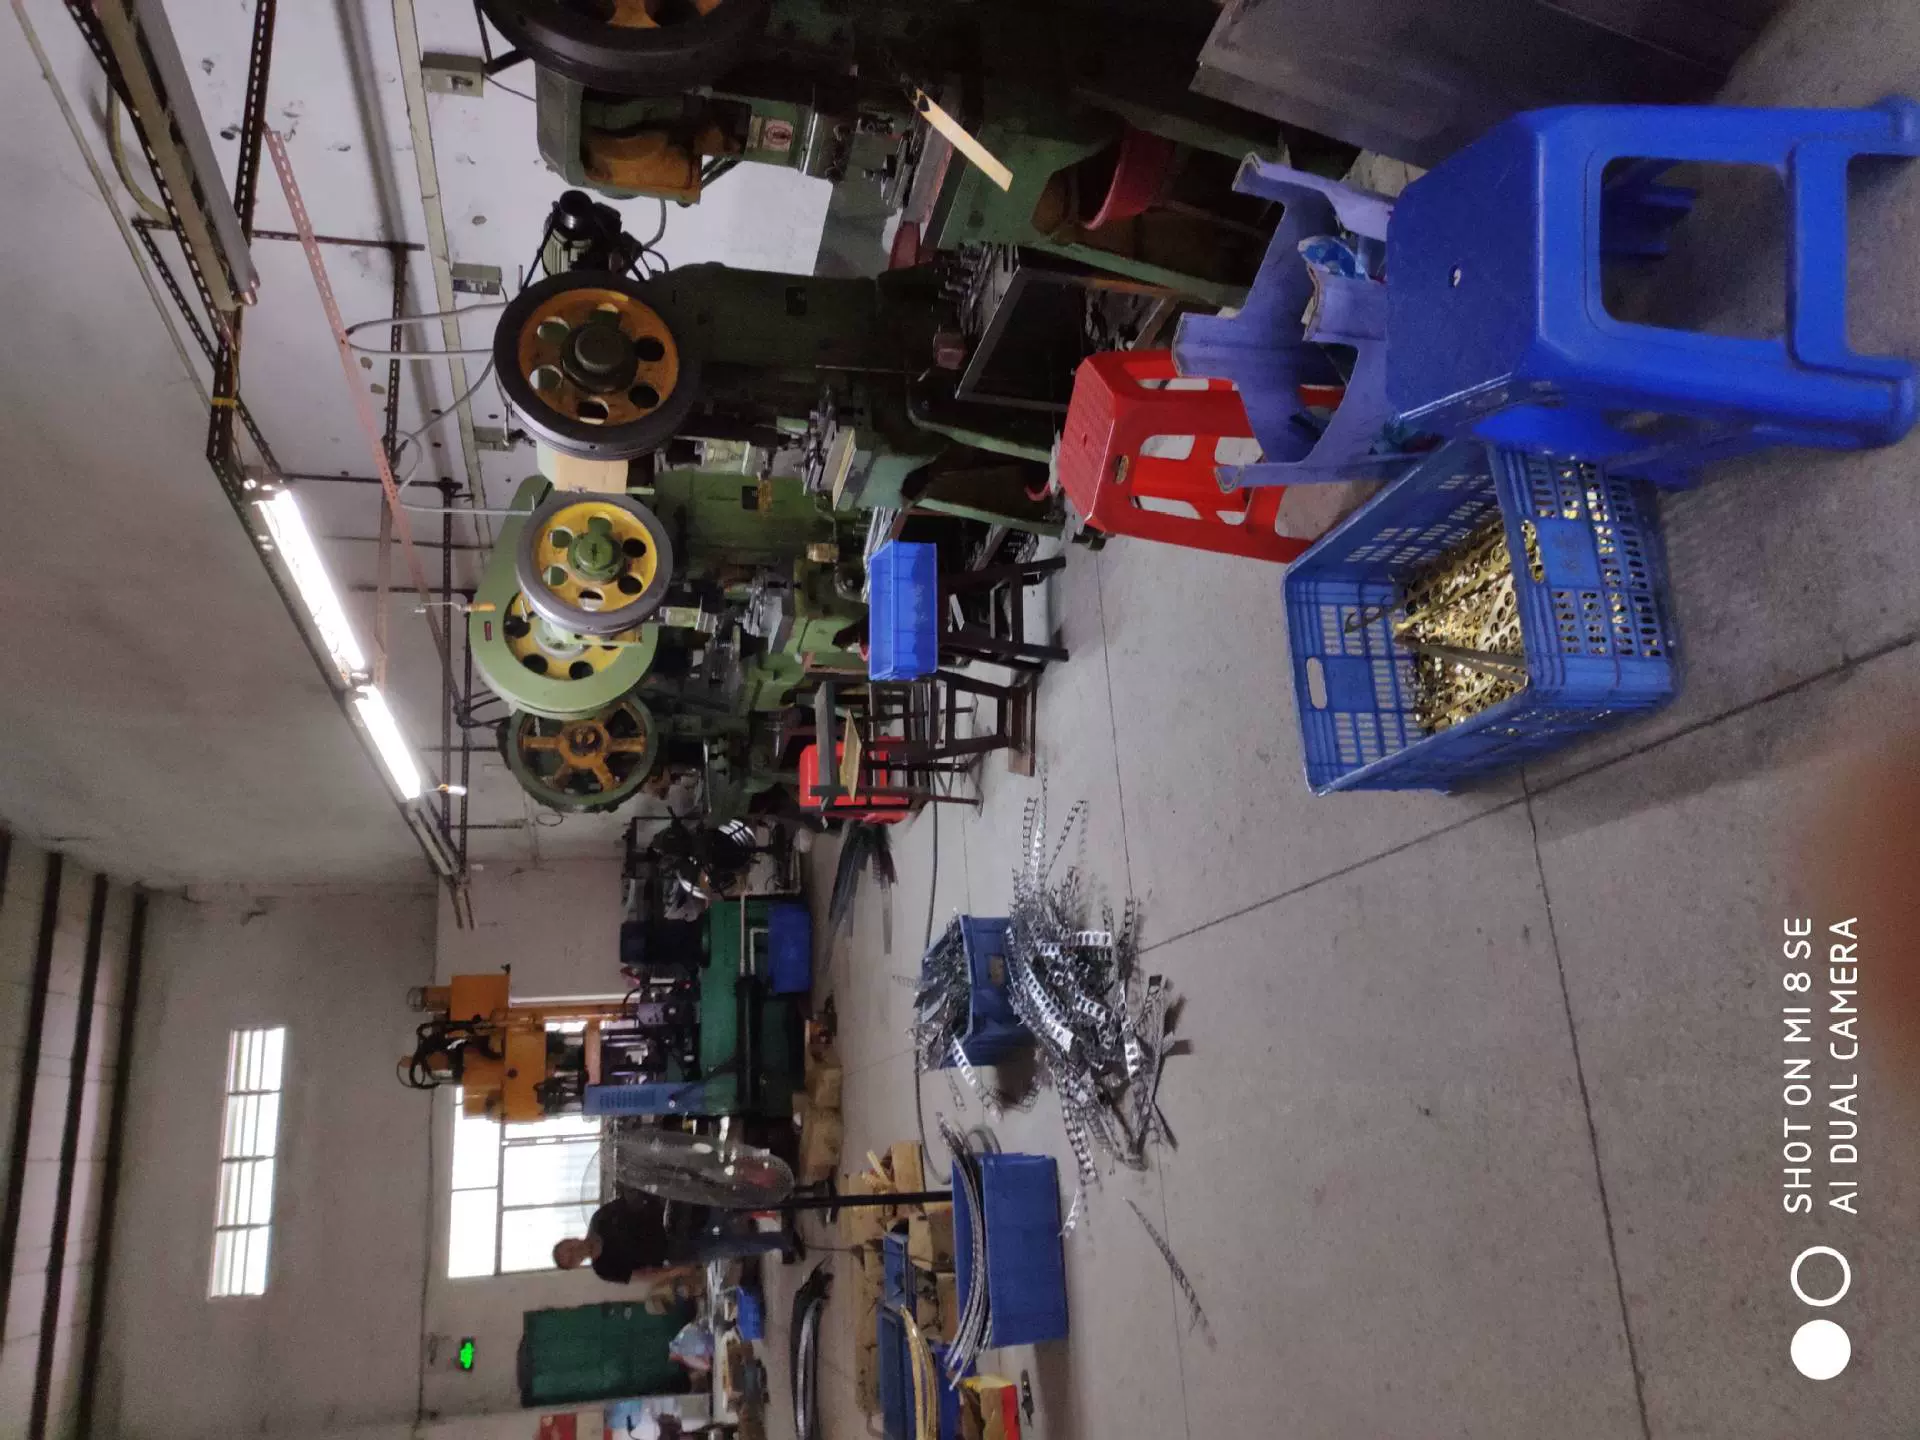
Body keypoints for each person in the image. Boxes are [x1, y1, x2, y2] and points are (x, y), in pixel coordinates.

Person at [552, 1189, 798, 1285]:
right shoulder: (604, 1269)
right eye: (571, 1259)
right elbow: (641, 1275)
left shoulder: (600, 1219)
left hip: (681, 1217)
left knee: (732, 1208)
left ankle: (786, 1198)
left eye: (569, 1248)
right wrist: (674, 1272)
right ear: (576, 1265)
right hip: (677, 1252)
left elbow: (637, 1199)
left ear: (570, 1239)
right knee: (732, 1247)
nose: (574, 1252)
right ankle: (784, 1240)